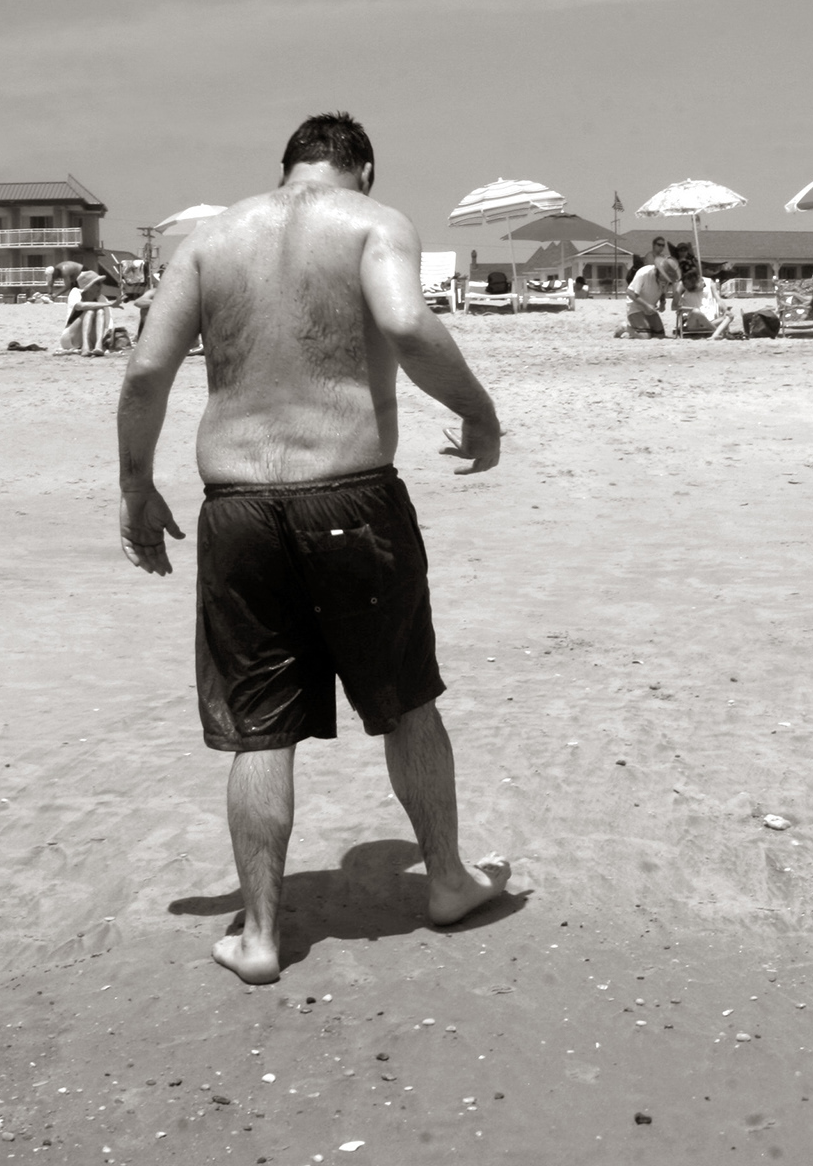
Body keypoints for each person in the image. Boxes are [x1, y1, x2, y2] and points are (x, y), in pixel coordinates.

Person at [116, 112, 509, 985]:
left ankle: (258, 935)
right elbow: (406, 326)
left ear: (287, 167)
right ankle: (446, 880)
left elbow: (146, 371)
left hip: (238, 506)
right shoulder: (373, 222)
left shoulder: (210, 239)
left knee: (261, 727)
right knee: (405, 697)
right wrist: (478, 412)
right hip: (350, 495)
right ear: (361, 169)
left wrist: (136, 485)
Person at [60, 272, 115, 355]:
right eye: (98, 284)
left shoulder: (101, 298)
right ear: (89, 286)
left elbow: (109, 325)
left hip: (92, 338)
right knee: (89, 311)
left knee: (100, 311)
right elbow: (80, 306)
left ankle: (98, 345)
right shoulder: (75, 293)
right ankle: (85, 346)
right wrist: (110, 304)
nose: (101, 286)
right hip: (71, 338)